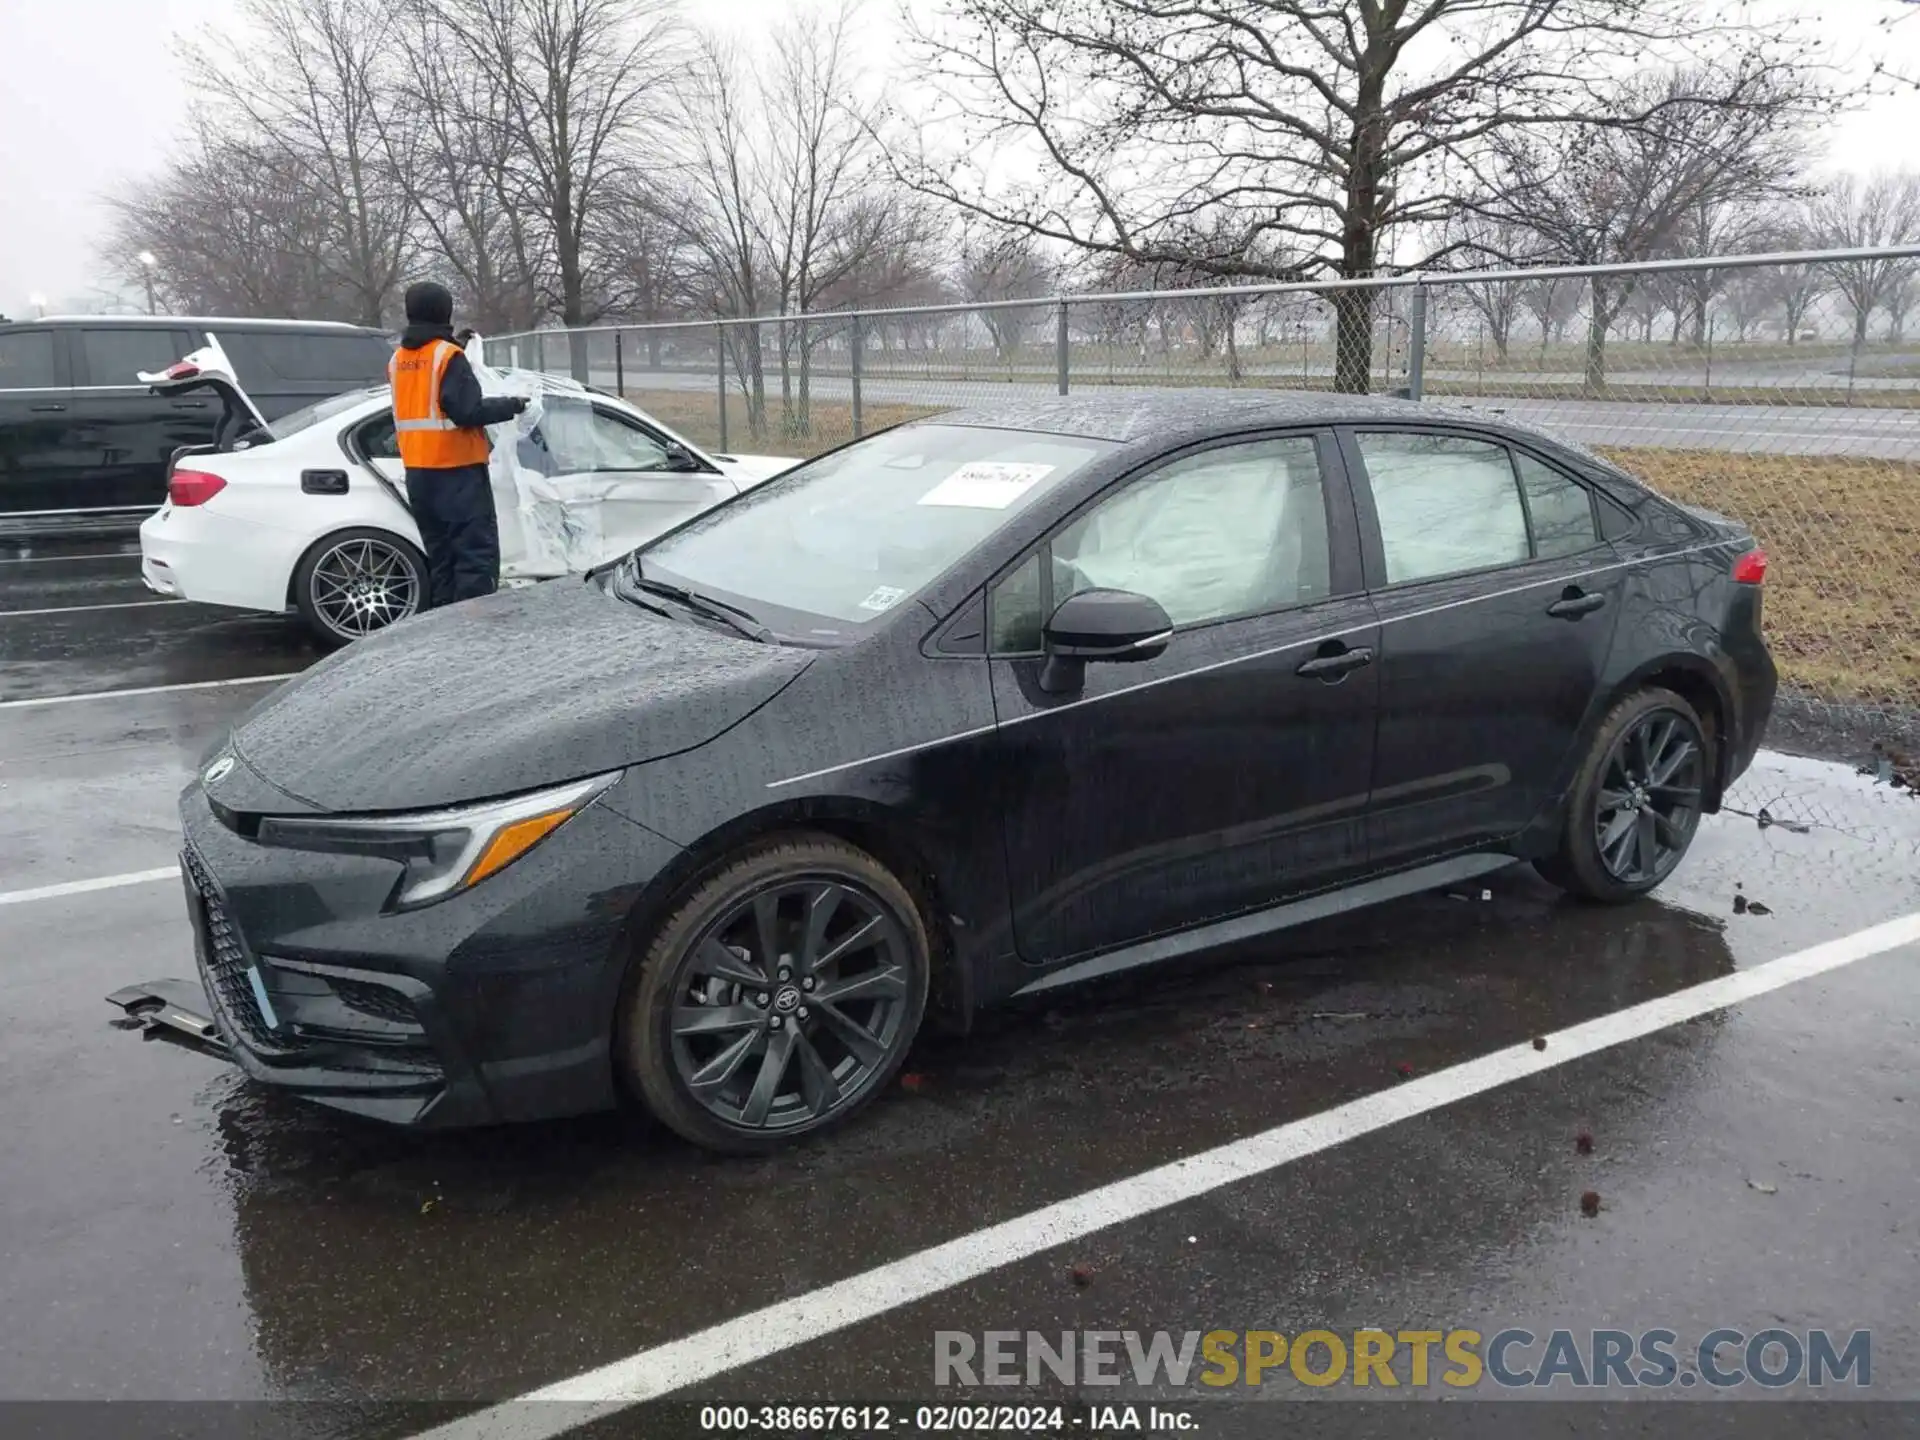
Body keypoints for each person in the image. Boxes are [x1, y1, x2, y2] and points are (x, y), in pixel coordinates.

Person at [390, 282, 527, 609]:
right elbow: (467, 410)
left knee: (443, 561)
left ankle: (444, 632)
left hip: (419, 474)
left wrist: (456, 346)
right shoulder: (448, 356)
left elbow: (432, 394)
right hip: (457, 472)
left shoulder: (400, 358)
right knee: (474, 559)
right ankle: (472, 638)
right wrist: (513, 404)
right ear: (444, 312)